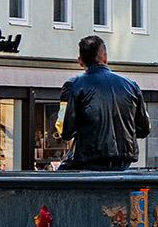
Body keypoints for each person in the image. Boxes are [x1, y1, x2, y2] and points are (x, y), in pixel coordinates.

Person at [59, 34, 149, 170]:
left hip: (88, 160)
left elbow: (65, 131)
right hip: (123, 162)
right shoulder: (131, 85)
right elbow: (144, 129)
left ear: (80, 61)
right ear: (105, 58)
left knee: (59, 177)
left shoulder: (73, 85)